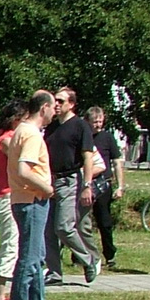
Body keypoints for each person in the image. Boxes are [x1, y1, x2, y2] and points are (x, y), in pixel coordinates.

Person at [42, 87, 100, 285]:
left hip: (69, 180)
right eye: (54, 101)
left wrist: (87, 185)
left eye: (61, 101)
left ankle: (88, 259)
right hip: (50, 181)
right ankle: (54, 272)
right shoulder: (51, 127)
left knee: (63, 227)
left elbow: (87, 157)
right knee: (48, 230)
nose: (56, 105)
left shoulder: (80, 126)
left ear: (71, 104)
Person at [8, 90, 56, 300]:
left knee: (37, 255)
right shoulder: (32, 134)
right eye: (54, 107)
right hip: (32, 199)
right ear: (44, 107)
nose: (55, 112)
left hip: (24, 199)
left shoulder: (22, 130)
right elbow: (24, 170)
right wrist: (46, 188)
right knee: (29, 255)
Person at [0, 100, 27, 300]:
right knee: (10, 243)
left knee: (14, 243)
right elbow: (21, 157)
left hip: (16, 194)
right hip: (8, 195)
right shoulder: (5, 139)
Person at [82, 105, 124, 267]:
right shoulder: (82, 136)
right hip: (83, 182)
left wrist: (120, 186)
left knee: (104, 221)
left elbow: (117, 162)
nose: (98, 125)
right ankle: (79, 254)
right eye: (95, 122)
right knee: (79, 220)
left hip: (102, 183)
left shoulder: (107, 137)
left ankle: (110, 254)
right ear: (87, 121)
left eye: (100, 121)